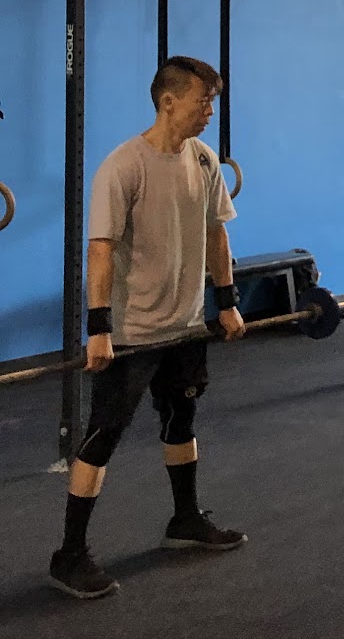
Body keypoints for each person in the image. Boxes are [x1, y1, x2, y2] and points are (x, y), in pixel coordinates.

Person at [50, 56, 246, 600]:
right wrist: (98, 328)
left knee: (182, 418)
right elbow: (100, 250)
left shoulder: (204, 159)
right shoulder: (123, 166)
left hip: (184, 326)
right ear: (168, 101)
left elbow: (217, 234)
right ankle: (69, 554)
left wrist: (226, 302)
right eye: (203, 101)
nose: (209, 111)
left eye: (212, 102)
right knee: (104, 435)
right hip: (133, 333)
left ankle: (185, 519)